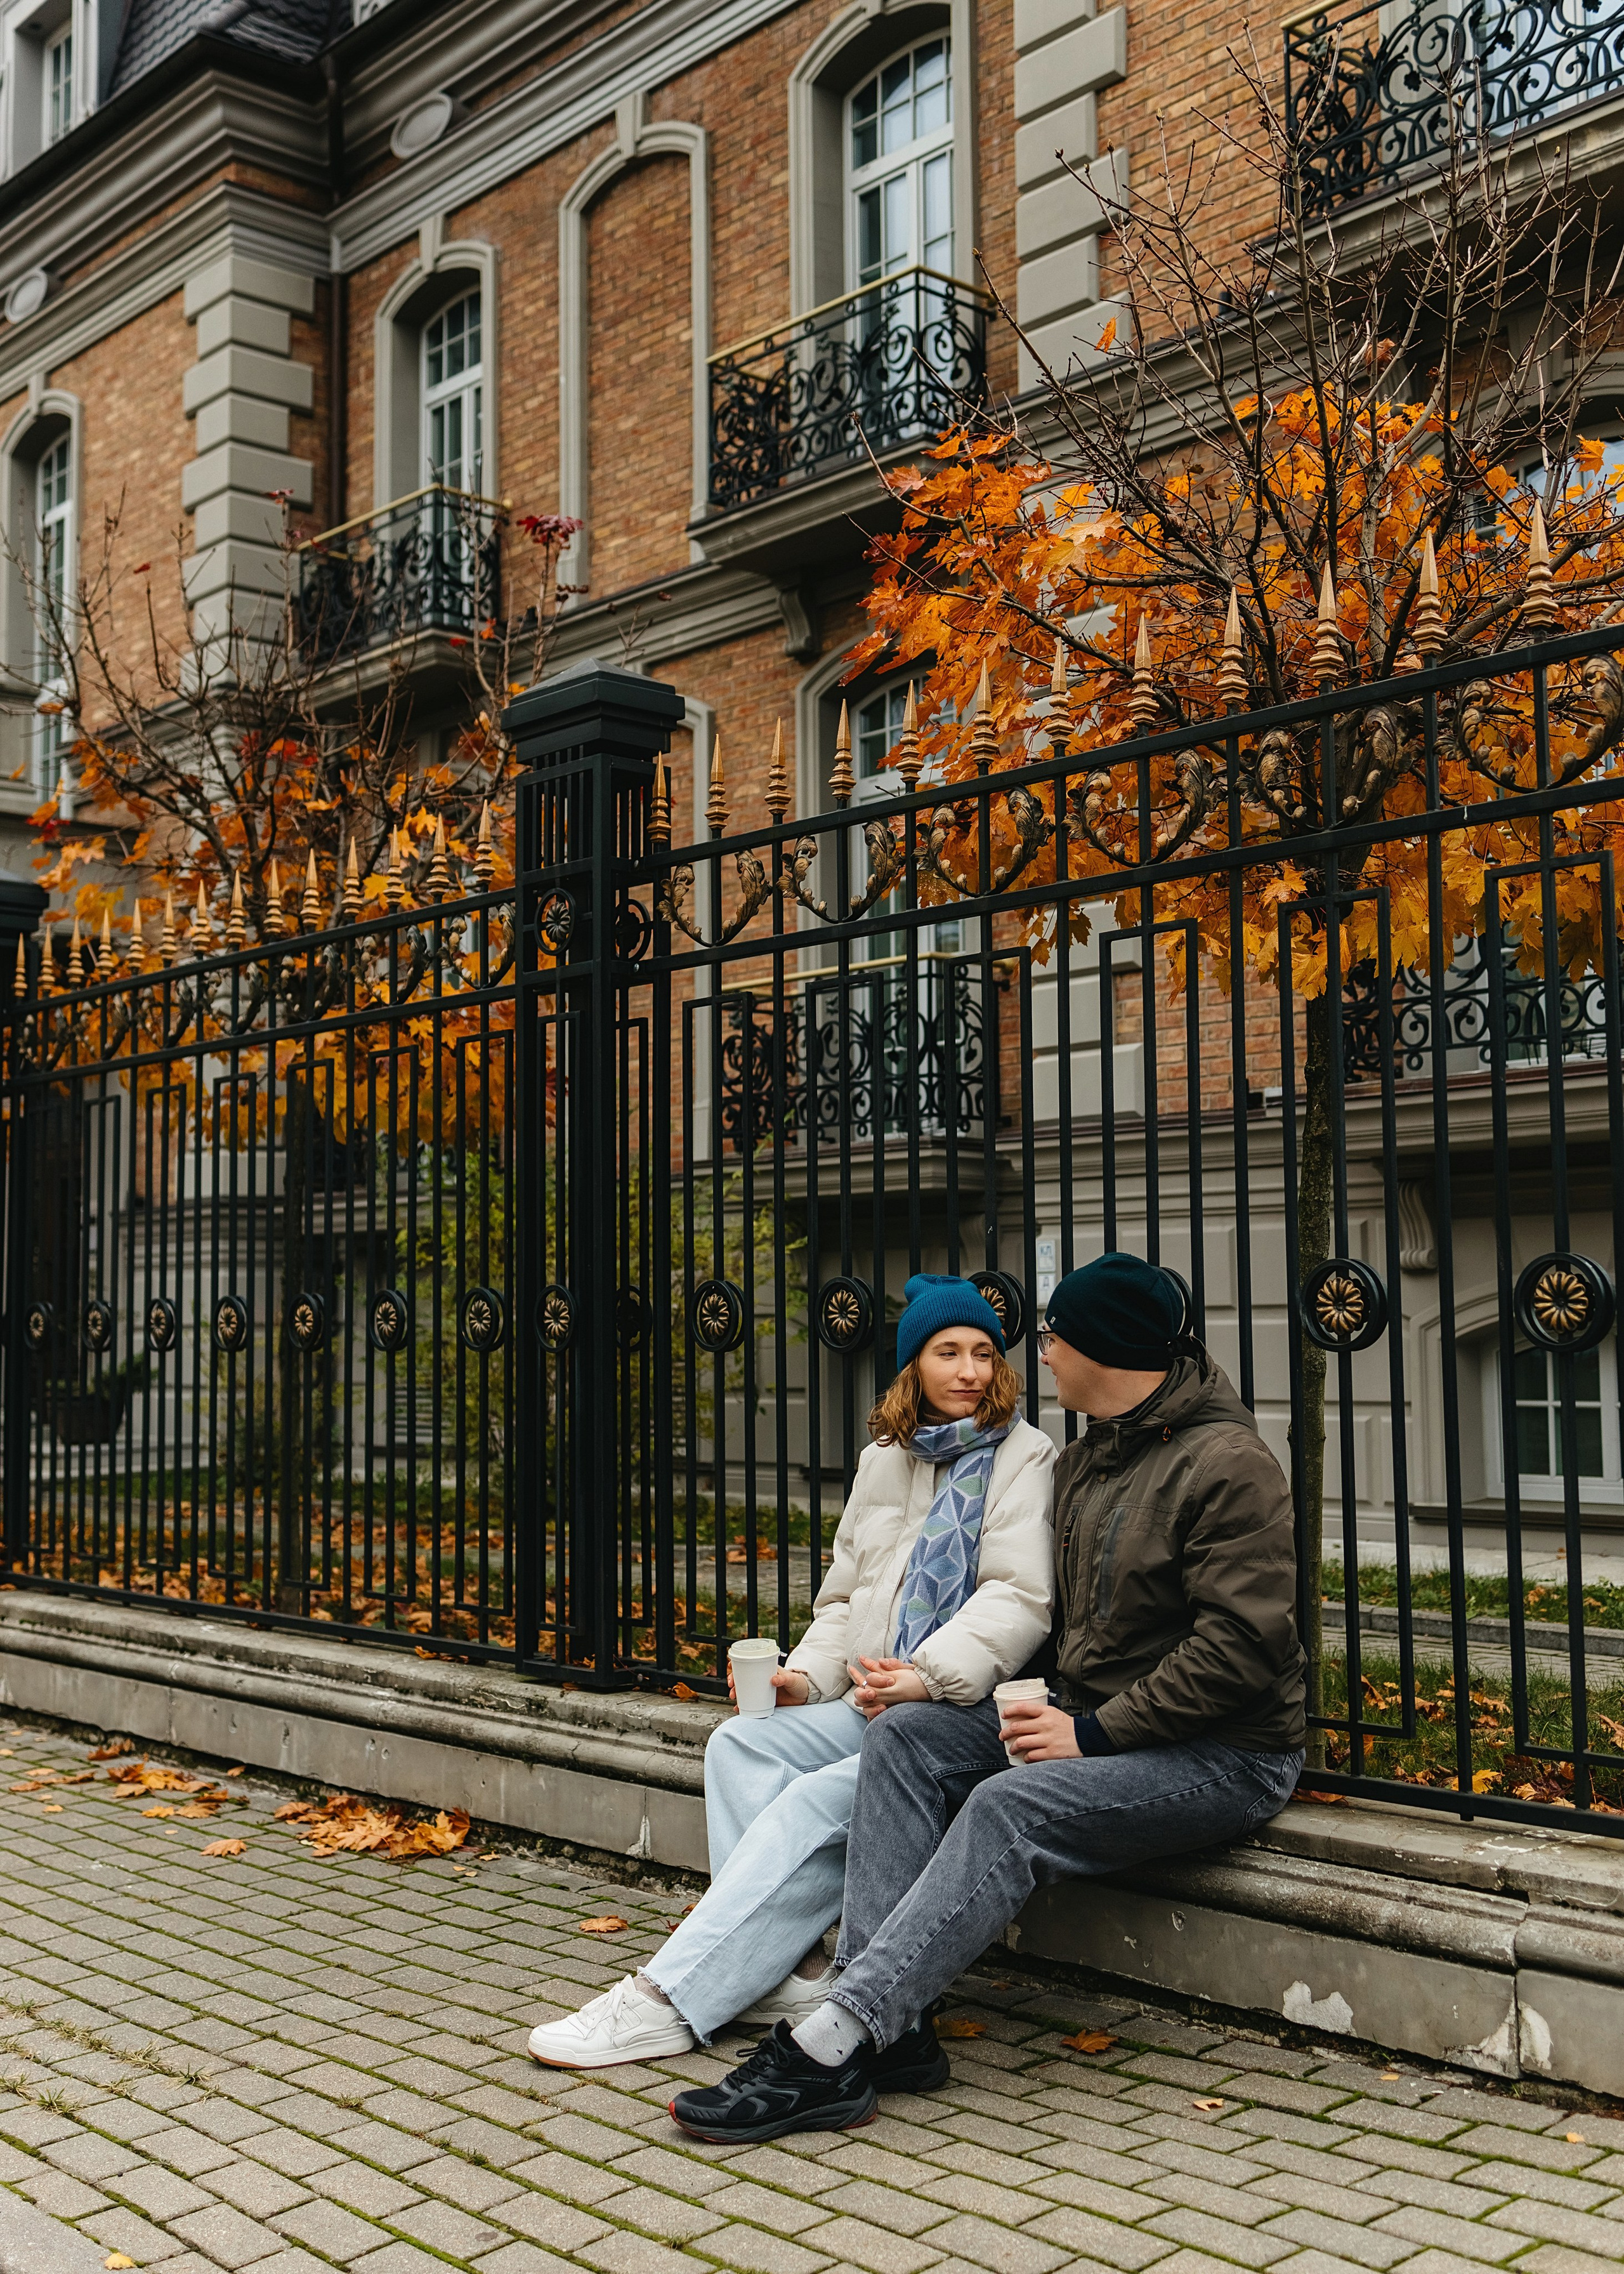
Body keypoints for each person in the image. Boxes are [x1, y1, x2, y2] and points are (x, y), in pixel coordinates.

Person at [669, 1248, 1307, 2143]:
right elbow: (1056, 1616)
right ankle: (889, 2029)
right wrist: (957, 1686)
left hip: (1225, 1754)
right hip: (1101, 1720)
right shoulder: (1092, 1460)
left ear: (1106, 1350)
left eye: (1053, 1336)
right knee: (907, 1737)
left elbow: (1241, 1650)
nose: (1037, 1352)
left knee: (1009, 1807)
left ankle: (830, 2044)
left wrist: (1091, 1732)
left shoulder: (1229, 1467)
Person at [525, 1272, 1056, 2071]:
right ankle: (795, 1972)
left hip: (945, 1708)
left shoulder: (1025, 1454)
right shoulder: (884, 1459)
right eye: (948, 1352)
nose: (970, 1371)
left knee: (809, 1802)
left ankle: (671, 2000)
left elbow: (1017, 1596)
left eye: (984, 1352)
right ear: (914, 1364)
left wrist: (923, 1676)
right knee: (740, 1745)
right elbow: (844, 1597)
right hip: (870, 1695)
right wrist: (804, 1678)